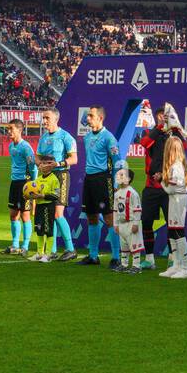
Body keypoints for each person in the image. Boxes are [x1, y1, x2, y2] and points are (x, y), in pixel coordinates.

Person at [136, 103, 186, 267]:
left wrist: (175, 127)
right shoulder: (152, 133)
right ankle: (149, 258)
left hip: (168, 188)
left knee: (172, 222)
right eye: (161, 116)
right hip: (151, 187)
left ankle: (174, 257)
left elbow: (185, 146)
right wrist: (159, 127)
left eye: (166, 116)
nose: (163, 119)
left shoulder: (175, 135)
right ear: (157, 118)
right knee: (147, 222)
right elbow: (144, 143)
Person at [76, 105, 119, 266]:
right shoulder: (87, 137)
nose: (87, 118)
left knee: (109, 217)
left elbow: (117, 162)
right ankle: (93, 256)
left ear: (100, 118)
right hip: (89, 180)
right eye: (87, 115)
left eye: (90, 115)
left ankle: (116, 256)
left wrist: (116, 183)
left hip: (104, 180)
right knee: (91, 217)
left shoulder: (109, 138)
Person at [36, 109, 78, 261]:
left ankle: (70, 249)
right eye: (43, 118)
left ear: (56, 119)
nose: (44, 120)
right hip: (47, 177)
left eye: (47, 118)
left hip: (61, 175)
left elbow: (74, 159)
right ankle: (52, 250)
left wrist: (57, 164)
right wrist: (40, 164)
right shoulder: (43, 138)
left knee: (57, 214)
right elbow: (37, 156)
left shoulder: (66, 137)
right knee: (50, 213)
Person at [159, 135, 187, 278]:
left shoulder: (176, 166)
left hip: (178, 199)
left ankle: (185, 268)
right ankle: (176, 264)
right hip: (174, 199)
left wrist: (161, 182)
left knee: (178, 231)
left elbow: (170, 189)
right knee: (172, 231)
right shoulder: (175, 165)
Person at [4, 118, 37, 256]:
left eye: (11, 129)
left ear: (20, 130)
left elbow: (33, 167)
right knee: (13, 215)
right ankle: (15, 244)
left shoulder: (26, 147)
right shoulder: (11, 146)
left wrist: (33, 187)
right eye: (8, 129)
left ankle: (25, 245)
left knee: (25, 215)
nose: (9, 132)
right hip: (15, 183)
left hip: (25, 184)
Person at [27, 154, 61, 260]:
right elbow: (32, 192)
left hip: (48, 207)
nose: (40, 166)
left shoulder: (54, 179)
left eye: (43, 163)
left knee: (48, 230)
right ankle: (39, 253)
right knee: (39, 229)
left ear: (50, 165)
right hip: (39, 207)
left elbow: (56, 195)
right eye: (40, 163)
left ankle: (48, 254)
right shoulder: (38, 179)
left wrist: (43, 195)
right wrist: (28, 196)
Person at [112, 165, 145, 273]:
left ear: (129, 179)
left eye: (122, 175)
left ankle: (136, 266)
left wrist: (136, 223)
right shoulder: (117, 194)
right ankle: (124, 264)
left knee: (134, 245)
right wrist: (115, 224)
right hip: (121, 224)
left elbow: (137, 209)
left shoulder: (132, 193)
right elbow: (116, 210)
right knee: (124, 245)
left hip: (131, 223)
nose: (119, 177)